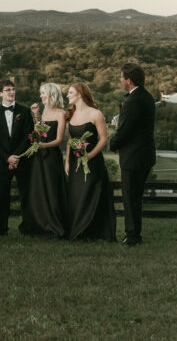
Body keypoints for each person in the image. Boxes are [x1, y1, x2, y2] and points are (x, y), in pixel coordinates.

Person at [109, 63, 156, 246]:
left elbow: (125, 130)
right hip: (145, 154)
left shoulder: (132, 101)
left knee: (129, 197)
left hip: (133, 156)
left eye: (122, 77)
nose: (120, 80)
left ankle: (132, 236)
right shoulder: (147, 97)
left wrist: (113, 143)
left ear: (128, 80)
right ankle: (136, 234)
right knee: (135, 197)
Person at [66, 83, 116, 241]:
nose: (67, 95)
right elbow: (70, 140)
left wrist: (89, 156)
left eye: (70, 92)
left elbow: (103, 139)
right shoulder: (71, 114)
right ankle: (77, 230)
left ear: (80, 94)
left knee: (91, 194)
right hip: (75, 163)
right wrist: (67, 161)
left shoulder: (96, 114)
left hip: (93, 162)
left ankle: (93, 232)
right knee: (77, 195)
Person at [0, 79, 34, 236]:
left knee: (26, 195)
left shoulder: (25, 111)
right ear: (0, 93)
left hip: (23, 160)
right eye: (7, 90)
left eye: (13, 89)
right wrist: (8, 158)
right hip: (3, 162)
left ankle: (27, 227)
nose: (12, 92)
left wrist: (16, 156)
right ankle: (1, 229)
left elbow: (29, 136)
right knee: (2, 197)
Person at [23, 83, 68, 239]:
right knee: (39, 189)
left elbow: (59, 140)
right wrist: (36, 115)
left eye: (43, 93)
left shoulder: (61, 114)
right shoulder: (44, 111)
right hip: (39, 157)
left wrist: (43, 145)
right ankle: (40, 223)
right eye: (40, 93)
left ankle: (54, 224)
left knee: (51, 188)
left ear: (52, 94)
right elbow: (38, 132)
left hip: (51, 156)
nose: (41, 96)